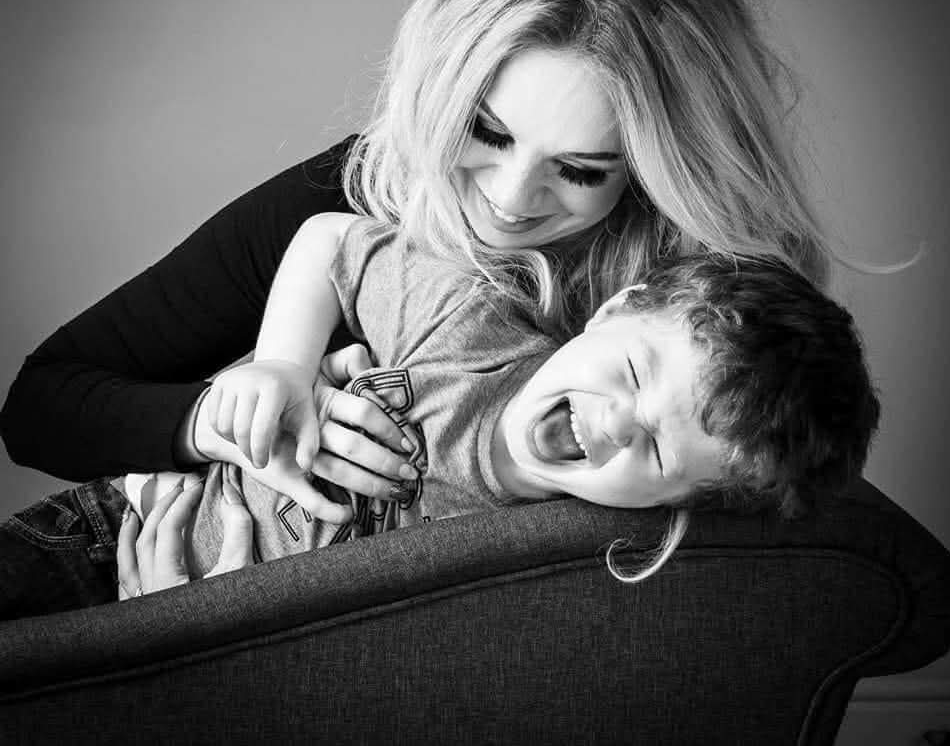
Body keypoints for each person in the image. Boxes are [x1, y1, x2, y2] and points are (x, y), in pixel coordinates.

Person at [1, 0, 833, 528]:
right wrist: (241, 413)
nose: (509, 201)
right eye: (484, 130)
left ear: (663, 173)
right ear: (438, 90)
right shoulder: (361, 191)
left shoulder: (714, 319)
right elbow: (40, 409)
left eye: (581, 171)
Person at [0, 212, 878, 618]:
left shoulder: (556, 562)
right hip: (120, 516)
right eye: (635, 371)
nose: (614, 424)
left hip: (177, 627)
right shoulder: (470, 326)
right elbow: (331, 241)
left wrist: (178, 633)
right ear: (616, 311)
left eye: (653, 448)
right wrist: (283, 363)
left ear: (679, 502)